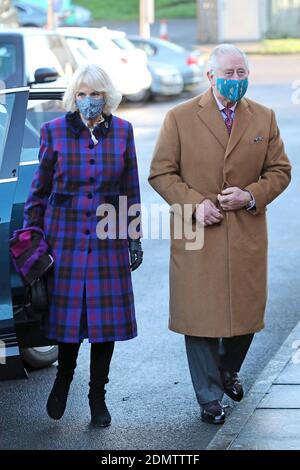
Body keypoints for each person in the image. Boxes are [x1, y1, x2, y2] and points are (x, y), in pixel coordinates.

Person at [148, 44, 291, 424]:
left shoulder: (264, 118)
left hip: (246, 233)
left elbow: (280, 171)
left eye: (242, 73)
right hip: (198, 234)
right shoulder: (179, 118)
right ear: (211, 76)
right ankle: (209, 398)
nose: (236, 81)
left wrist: (251, 195)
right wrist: (194, 203)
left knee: (246, 315)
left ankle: (228, 369)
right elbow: (161, 173)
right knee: (199, 320)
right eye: (229, 74)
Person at [23, 64, 143, 427]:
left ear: (107, 97)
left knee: (104, 325)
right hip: (65, 241)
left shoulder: (123, 132)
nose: (89, 101)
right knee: (70, 322)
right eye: (82, 94)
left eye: (96, 94)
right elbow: (38, 192)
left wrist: (133, 236)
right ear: (73, 97)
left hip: (107, 242)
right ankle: (63, 380)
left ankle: (97, 396)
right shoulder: (54, 132)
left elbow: (129, 190)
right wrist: (32, 240)